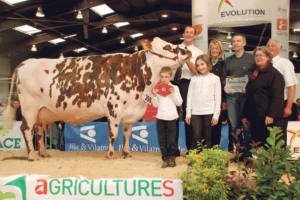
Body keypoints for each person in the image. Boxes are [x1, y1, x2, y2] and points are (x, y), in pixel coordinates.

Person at [242, 46, 285, 147]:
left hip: (267, 117)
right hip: (255, 116)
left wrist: (271, 115)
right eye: (256, 55)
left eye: (261, 55)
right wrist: (245, 114)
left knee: (267, 145)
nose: (258, 57)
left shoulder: (275, 75)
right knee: (257, 144)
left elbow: (277, 97)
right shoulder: (255, 73)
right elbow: (249, 95)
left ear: (268, 57)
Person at [222, 33, 255, 160]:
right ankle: (239, 153)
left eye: (238, 41)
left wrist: (249, 89)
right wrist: (226, 87)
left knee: (246, 126)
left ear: (244, 43)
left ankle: (248, 154)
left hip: (246, 98)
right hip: (231, 97)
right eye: (234, 41)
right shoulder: (228, 60)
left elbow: (256, 77)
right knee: (234, 126)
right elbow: (224, 78)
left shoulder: (251, 59)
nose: (235, 43)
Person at [174, 26, 203, 155]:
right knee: (171, 117)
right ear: (183, 34)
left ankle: (191, 149)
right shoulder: (174, 49)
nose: (189, 34)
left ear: (195, 36)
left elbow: (197, 72)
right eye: (187, 32)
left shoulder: (198, 52)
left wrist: (187, 59)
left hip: (188, 84)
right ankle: (173, 149)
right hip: (173, 84)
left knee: (188, 116)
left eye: (191, 33)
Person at [186, 54, 221, 149]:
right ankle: (195, 158)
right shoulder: (193, 79)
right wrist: (188, 113)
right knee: (196, 136)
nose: (200, 67)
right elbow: (189, 96)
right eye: (198, 65)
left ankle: (206, 159)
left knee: (208, 136)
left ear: (208, 64)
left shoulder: (215, 79)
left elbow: (218, 98)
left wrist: (216, 115)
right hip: (195, 113)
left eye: (202, 64)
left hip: (209, 112)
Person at [266, 39, 298, 144]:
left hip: (280, 104)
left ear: (280, 49)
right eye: (268, 45)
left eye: (273, 46)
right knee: (267, 137)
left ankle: (280, 160)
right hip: (265, 105)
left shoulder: (285, 63)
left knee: (279, 137)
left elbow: (291, 86)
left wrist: (288, 107)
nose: (270, 48)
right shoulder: (263, 64)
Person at [152, 67, 183, 168]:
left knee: (172, 139)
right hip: (160, 117)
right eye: (162, 77)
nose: (164, 79)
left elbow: (179, 102)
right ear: (160, 77)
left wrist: (173, 93)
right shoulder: (157, 88)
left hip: (172, 117)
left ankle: (172, 158)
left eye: (166, 77)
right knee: (162, 139)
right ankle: (165, 159)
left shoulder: (175, 88)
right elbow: (155, 105)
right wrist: (154, 95)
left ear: (170, 77)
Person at [208, 39, 228, 147]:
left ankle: (215, 149)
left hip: (219, 99)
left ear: (220, 50)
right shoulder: (206, 64)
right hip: (206, 99)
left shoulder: (224, 64)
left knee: (216, 125)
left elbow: (225, 83)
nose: (214, 50)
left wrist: (224, 102)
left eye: (216, 48)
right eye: (212, 48)